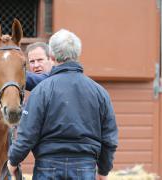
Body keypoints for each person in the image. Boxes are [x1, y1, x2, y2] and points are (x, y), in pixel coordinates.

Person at [7, 29, 118, 180]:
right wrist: (103, 170)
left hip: (47, 167)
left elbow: (27, 134)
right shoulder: (99, 92)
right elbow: (109, 138)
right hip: (84, 167)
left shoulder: (41, 91)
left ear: (52, 56)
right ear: (78, 54)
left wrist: (13, 161)